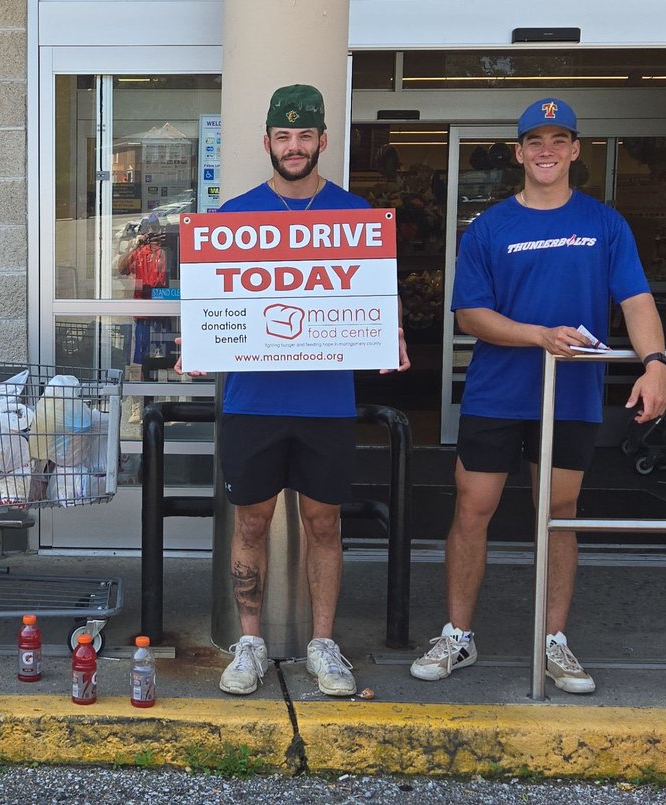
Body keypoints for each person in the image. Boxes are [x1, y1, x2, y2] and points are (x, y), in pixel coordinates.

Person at [409, 98, 666, 694]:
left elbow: (637, 302)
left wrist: (655, 365)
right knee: (472, 508)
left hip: (571, 397)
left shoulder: (606, 224)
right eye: (535, 141)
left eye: (558, 140)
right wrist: (539, 336)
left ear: (576, 150)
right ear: (520, 153)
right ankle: (458, 635)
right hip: (497, 395)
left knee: (557, 515)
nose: (546, 151)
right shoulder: (492, 228)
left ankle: (554, 642)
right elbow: (471, 315)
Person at [176, 84, 409, 697]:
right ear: (268, 143)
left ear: (323, 141)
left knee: (325, 523)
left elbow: (376, 300)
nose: (295, 145)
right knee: (249, 524)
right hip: (253, 400)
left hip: (326, 402)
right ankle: (249, 643)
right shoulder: (231, 219)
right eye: (285, 135)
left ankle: (323, 644)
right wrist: (196, 341)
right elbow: (209, 303)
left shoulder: (357, 218)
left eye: (306, 135)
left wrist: (394, 334)